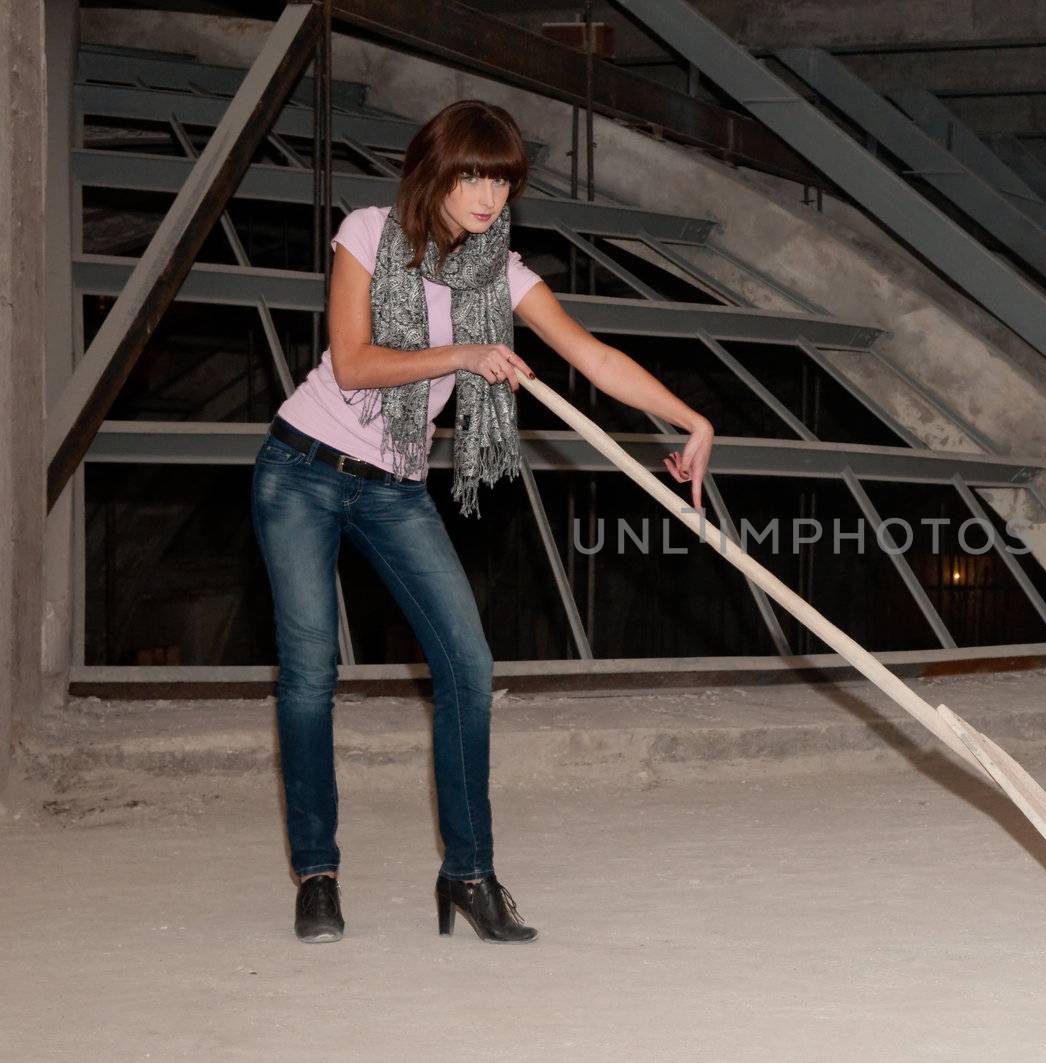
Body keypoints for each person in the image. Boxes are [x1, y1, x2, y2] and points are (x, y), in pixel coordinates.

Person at [251, 99, 714, 944]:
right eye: (472, 174)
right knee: (311, 672)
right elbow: (354, 362)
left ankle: (469, 873)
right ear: (436, 169)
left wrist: (694, 420)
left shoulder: (500, 275)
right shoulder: (368, 232)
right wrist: (464, 353)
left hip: (393, 485)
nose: (487, 195)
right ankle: (317, 873)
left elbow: (596, 358)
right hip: (301, 470)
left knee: (467, 663)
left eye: (501, 179)